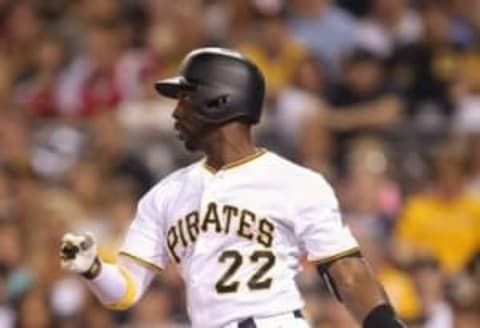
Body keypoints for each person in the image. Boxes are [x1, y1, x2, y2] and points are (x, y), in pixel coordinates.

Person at [59, 47, 405, 328]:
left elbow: (348, 275)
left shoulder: (297, 183)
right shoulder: (163, 195)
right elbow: (126, 291)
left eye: (185, 98)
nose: (176, 113)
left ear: (219, 100)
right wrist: (93, 268)